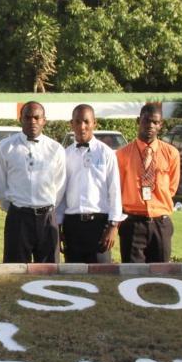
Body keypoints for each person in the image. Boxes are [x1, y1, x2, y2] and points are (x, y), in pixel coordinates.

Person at [0, 101, 65, 263]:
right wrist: (14, 208)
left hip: (47, 218)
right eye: (28, 117)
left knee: (49, 270)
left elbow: (60, 185)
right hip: (18, 217)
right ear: (20, 119)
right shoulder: (5, 147)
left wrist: (48, 205)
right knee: (14, 270)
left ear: (44, 120)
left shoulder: (56, 149)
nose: (32, 121)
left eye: (36, 118)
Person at [57, 104, 126, 263]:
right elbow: (61, 193)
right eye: (78, 121)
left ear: (94, 123)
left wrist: (113, 226)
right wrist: (59, 226)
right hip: (72, 225)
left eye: (87, 122)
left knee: (101, 276)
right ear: (71, 123)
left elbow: (115, 191)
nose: (82, 126)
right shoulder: (64, 155)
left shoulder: (106, 153)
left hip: (99, 225)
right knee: (74, 278)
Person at [116, 103, 181, 263]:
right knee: (132, 276)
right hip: (132, 223)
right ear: (139, 121)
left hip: (161, 223)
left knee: (161, 277)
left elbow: (171, 188)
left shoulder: (171, 153)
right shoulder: (122, 154)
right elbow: (118, 188)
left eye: (155, 122)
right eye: (146, 121)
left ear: (161, 125)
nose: (150, 126)